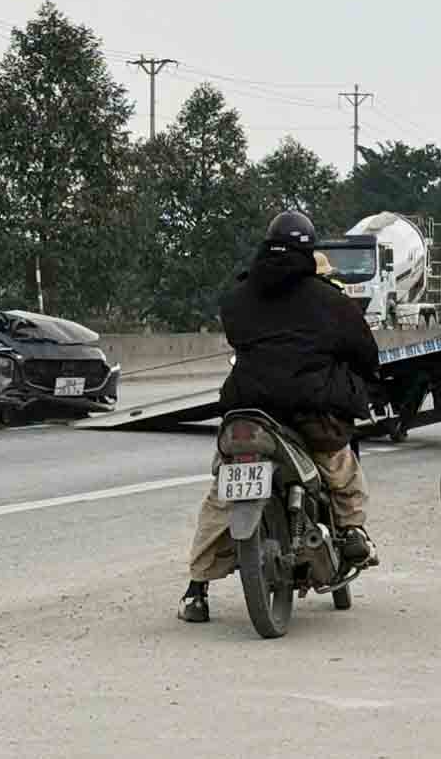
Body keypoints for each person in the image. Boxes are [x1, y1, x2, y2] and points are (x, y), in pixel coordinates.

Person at [181, 210, 379, 623]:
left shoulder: (236, 297)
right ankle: (351, 532)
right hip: (309, 411)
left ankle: (196, 590)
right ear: (310, 250)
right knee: (340, 466)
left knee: (221, 491)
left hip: (247, 407)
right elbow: (364, 352)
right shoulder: (329, 300)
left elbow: (238, 335)